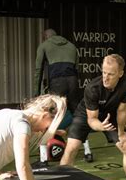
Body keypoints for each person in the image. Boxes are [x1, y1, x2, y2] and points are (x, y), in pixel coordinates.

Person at [60, 54, 126, 180]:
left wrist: (121, 133)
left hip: (111, 115)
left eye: (110, 74)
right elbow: (92, 120)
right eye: (104, 72)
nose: (105, 77)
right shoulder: (93, 87)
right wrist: (101, 126)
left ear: (120, 74)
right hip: (86, 114)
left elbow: (122, 111)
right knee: (71, 148)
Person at [34, 28, 93, 162]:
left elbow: (38, 70)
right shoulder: (72, 46)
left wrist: (36, 94)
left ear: (45, 37)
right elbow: (77, 68)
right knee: (79, 116)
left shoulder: (44, 45)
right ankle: (88, 152)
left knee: (49, 115)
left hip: (57, 83)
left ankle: (43, 159)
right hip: (72, 81)